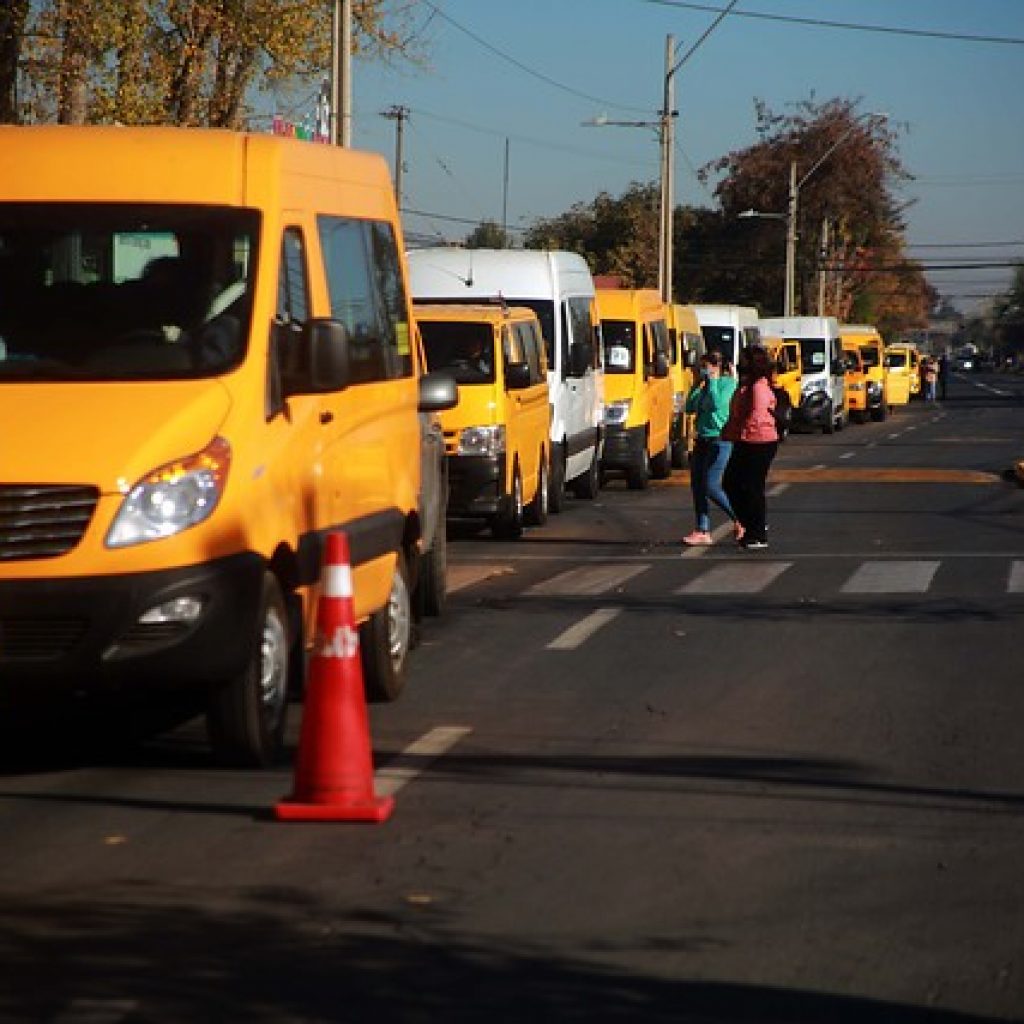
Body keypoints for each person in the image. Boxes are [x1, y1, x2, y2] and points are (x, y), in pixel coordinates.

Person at [722, 345, 779, 550]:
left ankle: (757, 532)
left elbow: (757, 415)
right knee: (732, 482)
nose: (739, 363)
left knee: (752, 486)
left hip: (760, 441)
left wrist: (741, 433)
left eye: (743, 360)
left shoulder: (759, 387)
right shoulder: (746, 384)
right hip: (746, 440)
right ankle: (751, 523)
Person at [682, 351, 741, 546]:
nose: (704, 370)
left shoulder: (728, 384)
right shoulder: (704, 386)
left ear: (717, 366)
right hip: (702, 440)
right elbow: (689, 407)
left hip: (720, 439)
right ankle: (702, 529)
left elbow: (717, 405)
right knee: (697, 485)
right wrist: (696, 385)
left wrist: (714, 381)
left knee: (711, 484)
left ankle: (739, 518)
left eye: (707, 366)